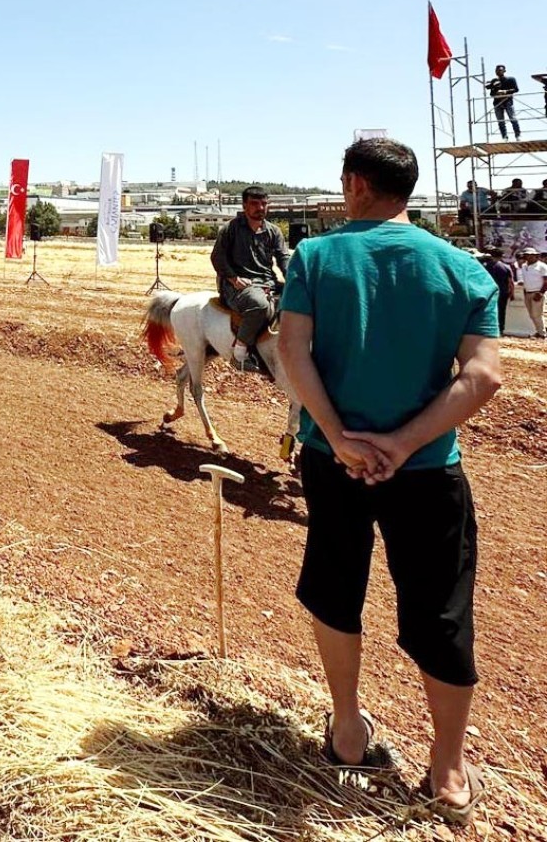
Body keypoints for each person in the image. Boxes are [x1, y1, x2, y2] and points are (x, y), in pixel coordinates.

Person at [278, 137, 501, 827]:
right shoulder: (464, 270)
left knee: (336, 584)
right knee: (439, 609)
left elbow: (291, 352)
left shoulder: (315, 257)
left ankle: (347, 731)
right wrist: (405, 443)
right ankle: (449, 771)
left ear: (354, 185)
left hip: (333, 462)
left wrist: (344, 439)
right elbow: (484, 376)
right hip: (429, 469)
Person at [211, 185, 291, 372]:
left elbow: (283, 259)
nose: (260, 208)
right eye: (255, 204)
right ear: (244, 205)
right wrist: (233, 279)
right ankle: (239, 353)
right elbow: (217, 258)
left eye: (264, 204)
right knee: (260, 305)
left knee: (301, 296)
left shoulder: (274, 231)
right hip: (237, 285)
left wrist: (294, 280)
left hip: (267, 282)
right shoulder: (230, 229)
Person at [479, 251, 514, 335]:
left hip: (489, 292)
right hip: (502, 292)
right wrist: (512, 293)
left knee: (489, 310)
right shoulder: (506, 267)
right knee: (502, 311)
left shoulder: (485, 266)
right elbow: (510, 282)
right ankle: (501, 329)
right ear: (501, 256)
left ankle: (490, 328)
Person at [486, 65, 521, 141]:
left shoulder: (511, 79)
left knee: (513, 119)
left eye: (500, 70)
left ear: (504, 71)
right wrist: (497, 93)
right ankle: (504, 137)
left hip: (508, 102)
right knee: (501, 121)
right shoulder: (494, 81)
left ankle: (517, 135)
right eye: (497, 70)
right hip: (497, 103)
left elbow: (516, 89)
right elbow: (491, 94)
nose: (498, 72)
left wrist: (505, 91)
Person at [518, 247, 547, 338]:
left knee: (537, 314)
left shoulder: (542, 266)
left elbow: (546, 281)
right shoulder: (524, 266)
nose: (529, 257)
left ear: (536, 256)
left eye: (531, 255)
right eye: (527, 255)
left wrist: (541, 293)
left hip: (537, 292)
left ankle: (542, 333)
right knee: (532, 315)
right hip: (527, 292)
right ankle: (539, 331)